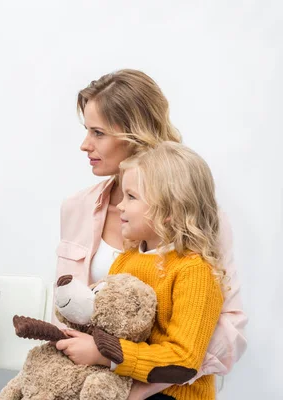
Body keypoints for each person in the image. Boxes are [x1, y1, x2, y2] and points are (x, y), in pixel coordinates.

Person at [53, 69, 247, 399]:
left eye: (98, 132)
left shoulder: (197, 221)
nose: (85, 144)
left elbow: (225, 330)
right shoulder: (77, 208)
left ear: (136, 135)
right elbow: (72, 309)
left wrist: (140, 386)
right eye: (87, 130)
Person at [57, 141, 225, 400]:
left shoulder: (194, 272)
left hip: (171, 394)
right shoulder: (127, 259)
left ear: (168, 210)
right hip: (126, 386)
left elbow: (183, 360)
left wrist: (105, 353)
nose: (120, 206)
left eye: (131, 197)